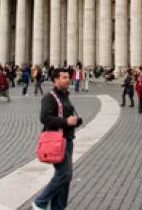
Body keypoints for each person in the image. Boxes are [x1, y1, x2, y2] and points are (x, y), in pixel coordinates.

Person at [32, 67, 83, 210]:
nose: (68, 80)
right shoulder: (50, 97)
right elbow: (45, 118)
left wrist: (76, 121)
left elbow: (66, 116)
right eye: (64, 77)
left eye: (68, 77)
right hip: (57, 142)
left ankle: (58, 207)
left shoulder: (65, 96)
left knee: (66, 178)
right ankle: (40, 202)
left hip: (67, 140)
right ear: (55, 80)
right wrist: (66, 122)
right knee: (64, 175)